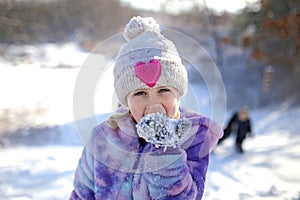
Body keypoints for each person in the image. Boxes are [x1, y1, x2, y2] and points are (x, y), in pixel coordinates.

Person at [70, 16, 223, 199]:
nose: (153, 103)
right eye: (140, 93)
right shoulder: (102, 138)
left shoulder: (194, 136)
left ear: (178, 94)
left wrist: (164, 146)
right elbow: (82, 194)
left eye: (164, 90)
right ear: (126, 100)